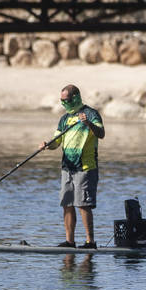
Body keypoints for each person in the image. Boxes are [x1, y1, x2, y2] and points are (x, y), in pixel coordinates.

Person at [44, 84, 105, 249]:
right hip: (67, 168)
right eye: (61, 101)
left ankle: (90, 242)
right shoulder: (64, 119)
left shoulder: (91, 114)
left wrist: (88, 124)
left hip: (85, 167)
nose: (64, 103)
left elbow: (101, 134)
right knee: (67, 203)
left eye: (67, 100)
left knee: (83, 205)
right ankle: (70, 242)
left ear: (76, 97)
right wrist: (47, 145)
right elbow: (56, 142)